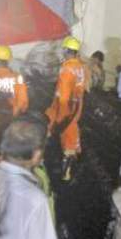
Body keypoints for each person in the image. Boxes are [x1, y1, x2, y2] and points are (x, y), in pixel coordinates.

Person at [45, 36, 87, 182]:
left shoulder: (67, 68)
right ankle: (68, 166)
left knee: (66, 137)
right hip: (76, 105)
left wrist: (59, 118)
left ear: (67, 50)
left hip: (65, 106)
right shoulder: (80, 66)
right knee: (72, 134)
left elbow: (63, 94)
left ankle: (65, 174)